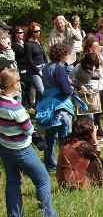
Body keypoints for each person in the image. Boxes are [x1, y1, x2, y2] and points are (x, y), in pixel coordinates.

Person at [0, 68, 57, 217]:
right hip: (22, 150)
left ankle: (14, 215)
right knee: (43, 180)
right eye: (18, 80)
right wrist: (39, 139)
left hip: (5, 148)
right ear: (14, 84)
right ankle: (49, 215)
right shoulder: (16, 108)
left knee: (12, 182)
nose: (20, 83)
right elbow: (28, 129)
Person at [36, 44, 76, 172]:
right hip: (60, 104)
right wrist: (71, 89)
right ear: (62, 55)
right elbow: (65, 89)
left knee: (50, 135)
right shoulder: (59, 68)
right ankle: (65, 163)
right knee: (64, 135)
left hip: (48, 104)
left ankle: (50, 164)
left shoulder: (46, 67)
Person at [56, 117, 103, 190]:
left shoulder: (68, 143)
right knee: (96, 160)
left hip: (62, 184)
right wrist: (94, 138)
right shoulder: (83, 146)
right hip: (76, 185)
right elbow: (98, 154)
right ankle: (98, 183)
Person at [71, 53, 103, 134]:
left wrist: (98, 74)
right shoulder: (78, 67)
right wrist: (79, 86)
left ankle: (90, 136)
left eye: (94, 64)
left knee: (91, 117)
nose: (92, 65)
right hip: (81, 95)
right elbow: (70, 79)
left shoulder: (95, 66)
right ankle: (81, 136)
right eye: (91, 64)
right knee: (83, 117)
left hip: (92, 94)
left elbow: (98, 78)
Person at [82, 35, 103, 138]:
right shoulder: (86, 58)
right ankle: (93, 130)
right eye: (95, 47)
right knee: (94, 109)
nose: (97, 48)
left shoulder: (98, 56)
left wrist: (99, 55)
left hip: (101, 84)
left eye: (98, 46)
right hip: (92, 87)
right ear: (89, 47)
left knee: (99, 108)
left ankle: (98, 127)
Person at [24, 22, 48, 107]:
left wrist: (47, 65)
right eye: (35, 31)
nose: (38, 32)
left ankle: (40, 109)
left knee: (44, 91)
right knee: (42, 90)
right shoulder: (28, 44)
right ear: (31, 32)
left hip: (43, 67)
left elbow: (44, 55)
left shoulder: (38, 42)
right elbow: (29, 61)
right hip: (34, 71)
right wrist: (38, 71)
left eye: (39, 30)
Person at [12, 26, 30, 108]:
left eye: (21, 32)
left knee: (29, 86)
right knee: (23, 87)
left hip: (29, 68)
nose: (20, 34)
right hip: (21, 68)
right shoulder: (14, 46)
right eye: (18, 33)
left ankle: (30, 104)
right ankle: (24, 105)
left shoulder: (26, 43)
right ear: (15, 34)